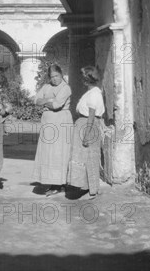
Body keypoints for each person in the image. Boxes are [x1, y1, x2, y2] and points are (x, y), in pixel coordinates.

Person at [32, 64, 73, 196]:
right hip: (47, 124)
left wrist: (45, 101)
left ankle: (59, 184)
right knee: (47, 153)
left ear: (61, 75)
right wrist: (48, 100)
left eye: (57, 76)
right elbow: (36, 101)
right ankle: (50, 181)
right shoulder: (46, 87)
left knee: (58, 152)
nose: (54, 79)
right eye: (52, 76)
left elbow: (56, 105)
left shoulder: (65, 88)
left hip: (61, 122)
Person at [67, 65, 105, 199]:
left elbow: (92, 114)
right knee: (85, 157)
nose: (82, 81)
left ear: (87, 80)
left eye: (83, 78)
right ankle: (86, 186)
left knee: (90, 157)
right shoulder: (91, 92)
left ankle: (93, 189)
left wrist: (87, 134)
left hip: (88, 125)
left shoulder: (94, 93)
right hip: (83, 124)